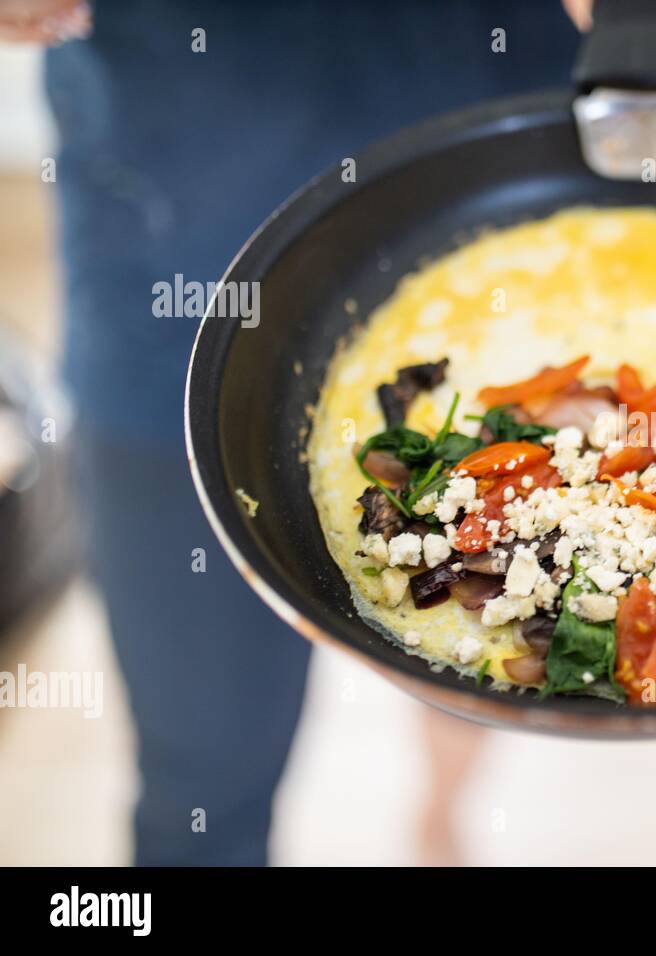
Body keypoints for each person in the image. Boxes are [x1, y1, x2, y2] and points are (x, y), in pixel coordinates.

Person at [4, 0, 583, 866]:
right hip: (178, 257)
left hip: (496, 205)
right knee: (202, 776)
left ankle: (444, 814)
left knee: (492, 641)